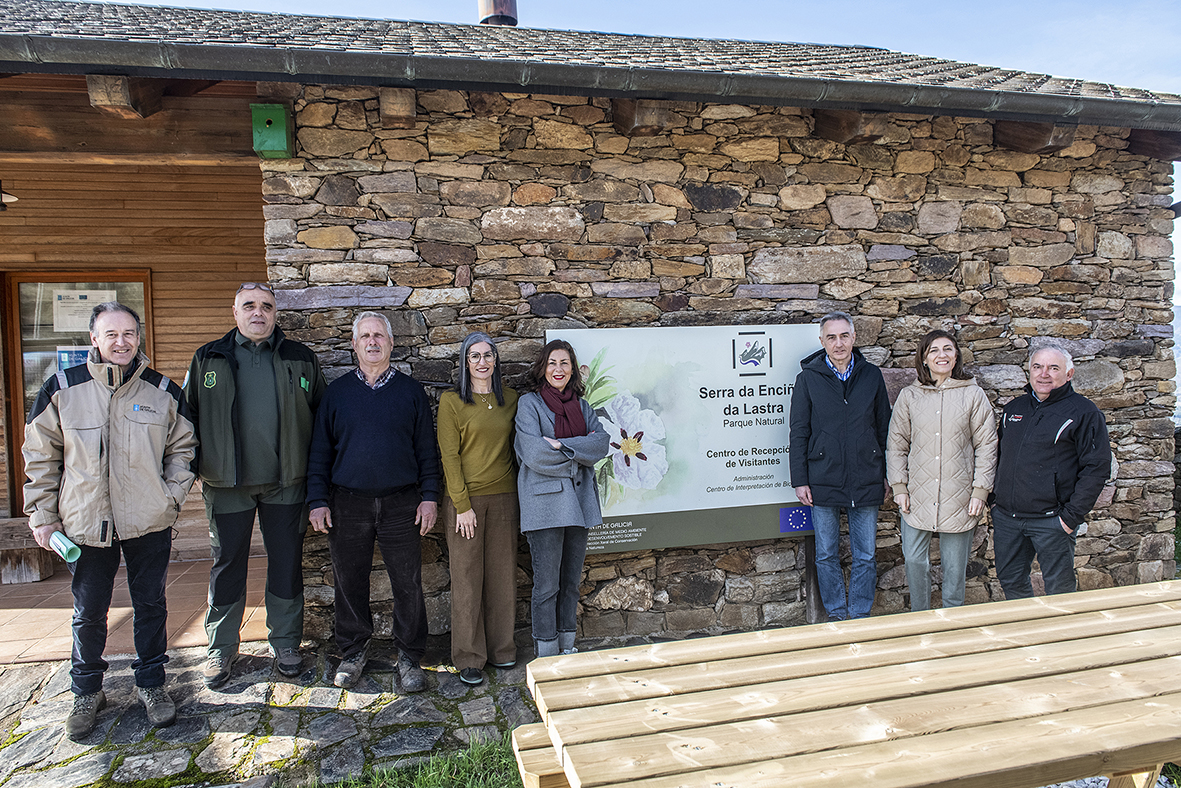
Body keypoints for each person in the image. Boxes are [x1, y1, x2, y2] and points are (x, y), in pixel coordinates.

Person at [23, 302, 197, 739]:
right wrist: (42, 515)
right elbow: (41, 458)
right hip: (85, 523)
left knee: (150, 605)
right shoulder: (63, 389)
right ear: (94, 339)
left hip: (148, 521)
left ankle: (152, 683)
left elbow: (184, 449)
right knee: (89, 611)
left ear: (139, 338)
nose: (122, 342)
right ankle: (86, 691)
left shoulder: (162, 390)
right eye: (112, 334)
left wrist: (169, 498)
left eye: (129, 333)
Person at [184, 282, 325, 689]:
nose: (258, 313)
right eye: (249, 306)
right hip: (227, 484)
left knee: (286, 562)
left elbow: (322, 417)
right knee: (228, 565)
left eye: (266, 306)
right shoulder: (208, 358)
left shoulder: (300, 358)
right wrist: (193, 470)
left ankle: (286, 642)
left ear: (275, 313)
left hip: (287, 483)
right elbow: (186, 418)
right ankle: (221, 647)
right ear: (235, 312)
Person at [307, 312, 441, 691]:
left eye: (379, 335)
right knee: (349, 581)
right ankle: (353, 652)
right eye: (365, 336)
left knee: (408, 583)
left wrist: (430, 497)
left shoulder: (410, 392)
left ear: (391, 343)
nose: (372, 342)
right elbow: (319, 452)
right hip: (347, 504)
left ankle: (409, 656)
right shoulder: (337, 394)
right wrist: (317, 499)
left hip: (402, 503)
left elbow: (427, 452)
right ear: (354, 344)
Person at [789, 311, 891, 621]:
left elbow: (884, 427)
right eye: (831, 337)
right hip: (823, 475)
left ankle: (859, 614)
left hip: (866, 474)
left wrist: (888, 474)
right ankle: (835, 614)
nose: (839, 343)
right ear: (822, 341)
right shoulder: (808, 379)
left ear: (854, 337)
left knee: (866, 554)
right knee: (825, 554)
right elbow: (799, 431)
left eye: (844, 336)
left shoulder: (871, 375)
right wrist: (800, 480)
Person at [886, 330, 997, 611]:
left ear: (956, 356)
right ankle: (920, 616)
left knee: (954, 567)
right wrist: (899, 487)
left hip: (960, 495)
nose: (942, 355)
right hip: (917, 495)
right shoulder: (909, 396)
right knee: (914, 560)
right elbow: (896, 444)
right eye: (934, 350)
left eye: (948, 349)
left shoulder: (973, 395)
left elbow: (986, 445)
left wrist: (980, 491)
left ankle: (953, 621)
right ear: (924, 359)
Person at [991, 344, 1111, 597]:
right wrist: (995, 501)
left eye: (1053, 368)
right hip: (1007, 518)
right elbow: (1000, 456)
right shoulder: (1014, 409)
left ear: (1069, 374)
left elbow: (1097, 468)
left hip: (1052, 520)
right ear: (1030, 372)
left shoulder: (1084, 412)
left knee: (1059, 589)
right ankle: (1026, 623)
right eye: (1038, 367)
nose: (1044, 373)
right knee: (1011, 581)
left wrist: (1069, 518)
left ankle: (1061, 625)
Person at [515, 339, 609, 658]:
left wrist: (559, 445)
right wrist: (579, 452)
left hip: (579, 503)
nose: (558, 369)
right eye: (552, 362)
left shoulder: (583, 406)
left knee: (570, 582)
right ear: (543, 368)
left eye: (564, 363)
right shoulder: (529, 404)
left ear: (572, 370)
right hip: (544, 505)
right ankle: (546, 652)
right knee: (546, 586)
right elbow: (533, 454)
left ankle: (567, 647)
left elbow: (601, 444)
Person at [438, 332, 520, 685]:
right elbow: (449, 456)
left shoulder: (511, 400)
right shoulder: (452, 401)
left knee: (502, 576)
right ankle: (469, 657)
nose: (482, 362)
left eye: (488, 355)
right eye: (475, 356)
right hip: (465, 503)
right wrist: (462, 505)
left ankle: (503, 649)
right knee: (467, 578)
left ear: (496, 360)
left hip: (505, 498)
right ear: (465, 362)